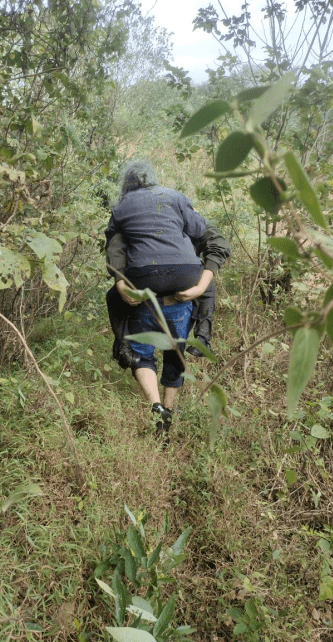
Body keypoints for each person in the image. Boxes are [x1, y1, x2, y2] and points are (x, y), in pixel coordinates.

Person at [104, 159, 213, 442]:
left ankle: (155, 406)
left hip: (144, 281)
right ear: (153, 179)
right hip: (184, 278)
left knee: (142, 352)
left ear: (126, 183)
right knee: (175, 350)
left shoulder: (120, 207)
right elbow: (200, 230)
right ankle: (170, 408)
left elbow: (114, 245)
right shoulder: (174, 196)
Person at [106, 219, 231, 359]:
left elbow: (116, 245)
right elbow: (217, 241)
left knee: (114, 296)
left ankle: (123, 344)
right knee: (207, 284)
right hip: (181, 275)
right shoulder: (184, 213)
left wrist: (120, 280)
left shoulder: (138, 214)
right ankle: (202, 338)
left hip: (146, 275)